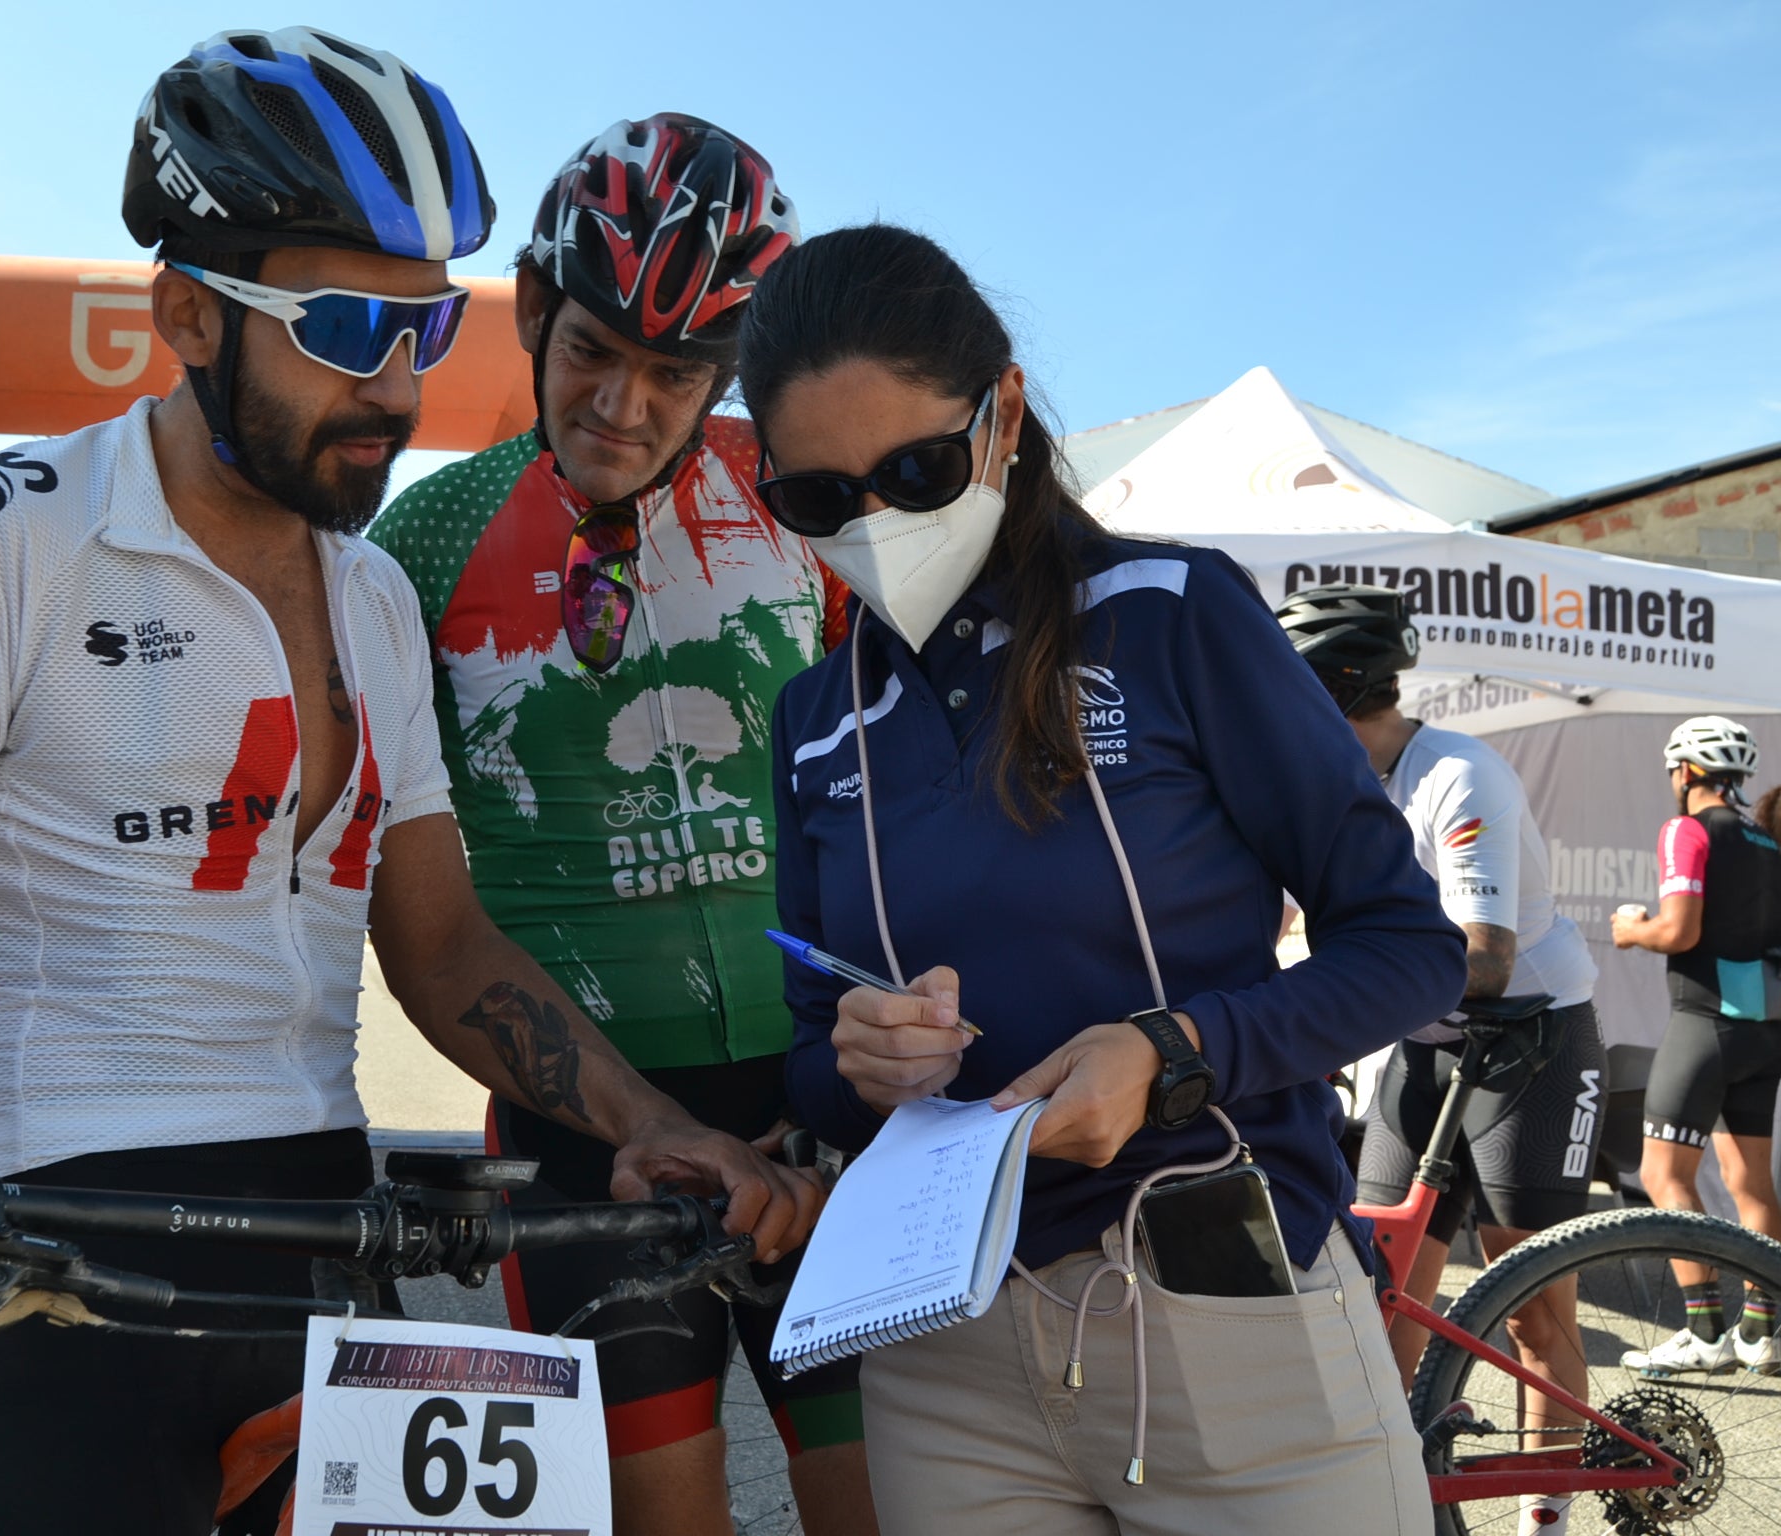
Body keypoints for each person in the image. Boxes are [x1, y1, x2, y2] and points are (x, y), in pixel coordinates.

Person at [0, 32, 817, 1536]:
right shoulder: (6, 529)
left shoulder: (374, 595)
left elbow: (442, 945)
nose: (390, 384)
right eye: (343, 325)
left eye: (426, 332)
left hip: (323, 1235)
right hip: (42, 1251)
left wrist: (648, 1121)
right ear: (186, 310)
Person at [740, 224, 1465, 1536]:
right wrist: (858, 1061)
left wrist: (1175, 1052)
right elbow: (808, 1060)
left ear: (1003, 412)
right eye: (818, 499)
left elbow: (1411, 946)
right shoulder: (811, 719)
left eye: (916, 468)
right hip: (940, 1348)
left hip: (1218, 1307)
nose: (876, 522)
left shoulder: (1174, 614)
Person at [369, 116, 871, 1536]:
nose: (626, 406)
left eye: (677, 373)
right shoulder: (428, 535)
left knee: (882, 1505)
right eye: (593, 349)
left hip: (816, 1111)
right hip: (587, 1121)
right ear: (531, 311)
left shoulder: (796, 510)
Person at [1277, 584, 1608, 1536]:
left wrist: (1323, 1003)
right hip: (1422, 1051)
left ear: (1326, 693)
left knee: (1533, 1310)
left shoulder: (1459, 775)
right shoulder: (1328, 784)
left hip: (1532, 1044)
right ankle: (1394, 1501)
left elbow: (1487, 962)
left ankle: (1544, 1518)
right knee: (1384, 1300)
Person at [1611, 715, 1781, 1377]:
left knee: (1663, 1176)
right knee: (1752, 1185)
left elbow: (1679, 932)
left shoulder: (1685, 829)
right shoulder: (1768, 842)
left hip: (1705, 1023)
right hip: (1765, 1029)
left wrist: (1632, 929)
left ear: (1683, 772)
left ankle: (1707, 1332)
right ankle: (1762, 1332)